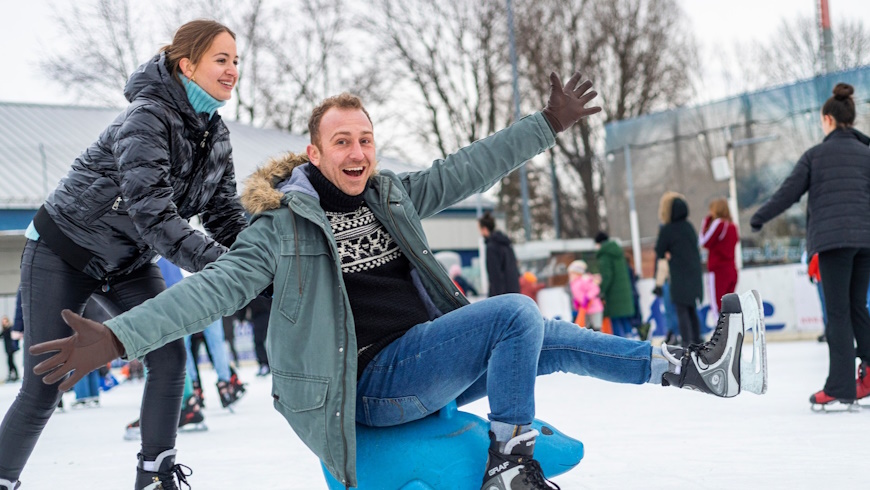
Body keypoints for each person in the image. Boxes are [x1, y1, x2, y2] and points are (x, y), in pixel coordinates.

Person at [30, 78, 767, 490]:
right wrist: (120, 336)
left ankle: (688, 367)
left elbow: (467, 166)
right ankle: (513, 461)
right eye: (341, 142)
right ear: (313, 154)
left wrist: (545, 123)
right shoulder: (278, 230)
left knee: (542, 332)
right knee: (514, 313)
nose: (357, 152)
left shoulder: (392, 197)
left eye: (365, 140)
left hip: (420, 359)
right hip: (367, 385)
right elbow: (209, 291)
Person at [0, 20, 247, 490]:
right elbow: (154, 215)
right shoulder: (146, 118)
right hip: (64, 253)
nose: (233, 69)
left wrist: (260, 256)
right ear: (187, 65)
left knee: (171, 359)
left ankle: (155, 476)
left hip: (130, 263)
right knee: (45, 383)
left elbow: (226, 217)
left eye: (236, 61)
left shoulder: (216, 138)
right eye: (222, 59)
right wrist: (225, 268)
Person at [750, 83, 870, 410]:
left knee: (839, 313)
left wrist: (759, 218)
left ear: (828, 119)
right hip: (866, 242)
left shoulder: (815, 156)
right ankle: (869, 374)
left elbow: (788, 193)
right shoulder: (866, 152)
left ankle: (840, 387)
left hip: (833, 242)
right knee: (859, 307)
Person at [653, 192, 704, 347]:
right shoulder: (689, 227)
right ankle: (697, 339)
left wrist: (669, 253)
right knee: (691, 308)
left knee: (681, 309)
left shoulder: (668, 229)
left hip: (679, 274)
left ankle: (687, 343)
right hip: (694, 272)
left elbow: (660, 250)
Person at [699, 197, 739, 316]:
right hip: (731, 269)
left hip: (718, 271)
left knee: (717, 307)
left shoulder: (718, 224)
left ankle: (721, 333)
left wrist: (706, 222)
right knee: (729, 307)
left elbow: (703, 241)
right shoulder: (732, 226)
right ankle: (730, 332)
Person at [594, 232, 636, 337]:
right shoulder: (618, 253)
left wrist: (600, 290)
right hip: (624, 293)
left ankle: (622, 346)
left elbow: (606, 276)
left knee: (616, 322)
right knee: (625, 321)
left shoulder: (605, 256)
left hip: (613, 296)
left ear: (599, 243)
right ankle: (632, 340)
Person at [478, 211, 520, 297]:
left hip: (501, 295)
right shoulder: (507, 244)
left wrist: (493, 297)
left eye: (479, 229)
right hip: (514, 290)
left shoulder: (491, 247)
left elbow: (495, 275)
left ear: (484, 229)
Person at [567, 260, 603, 330]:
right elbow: (577, 293)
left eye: (572, 273)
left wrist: (587, 297)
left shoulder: (584, 280)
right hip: (584, 308)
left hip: (594, 307)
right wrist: (576, 301)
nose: (570, 275)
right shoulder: (573, 282)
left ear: (578, 273)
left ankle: (599, 339)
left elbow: (595, 289)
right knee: (586, 327)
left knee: (596, 327)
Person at [1, 316, 19, 383]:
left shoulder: (9, 329)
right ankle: (13, 375)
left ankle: (13, 375)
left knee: (10, 362)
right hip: (7, 348)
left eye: (5, 321)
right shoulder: (4, 329)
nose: (4, 323)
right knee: (10, 362)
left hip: (11, 348)